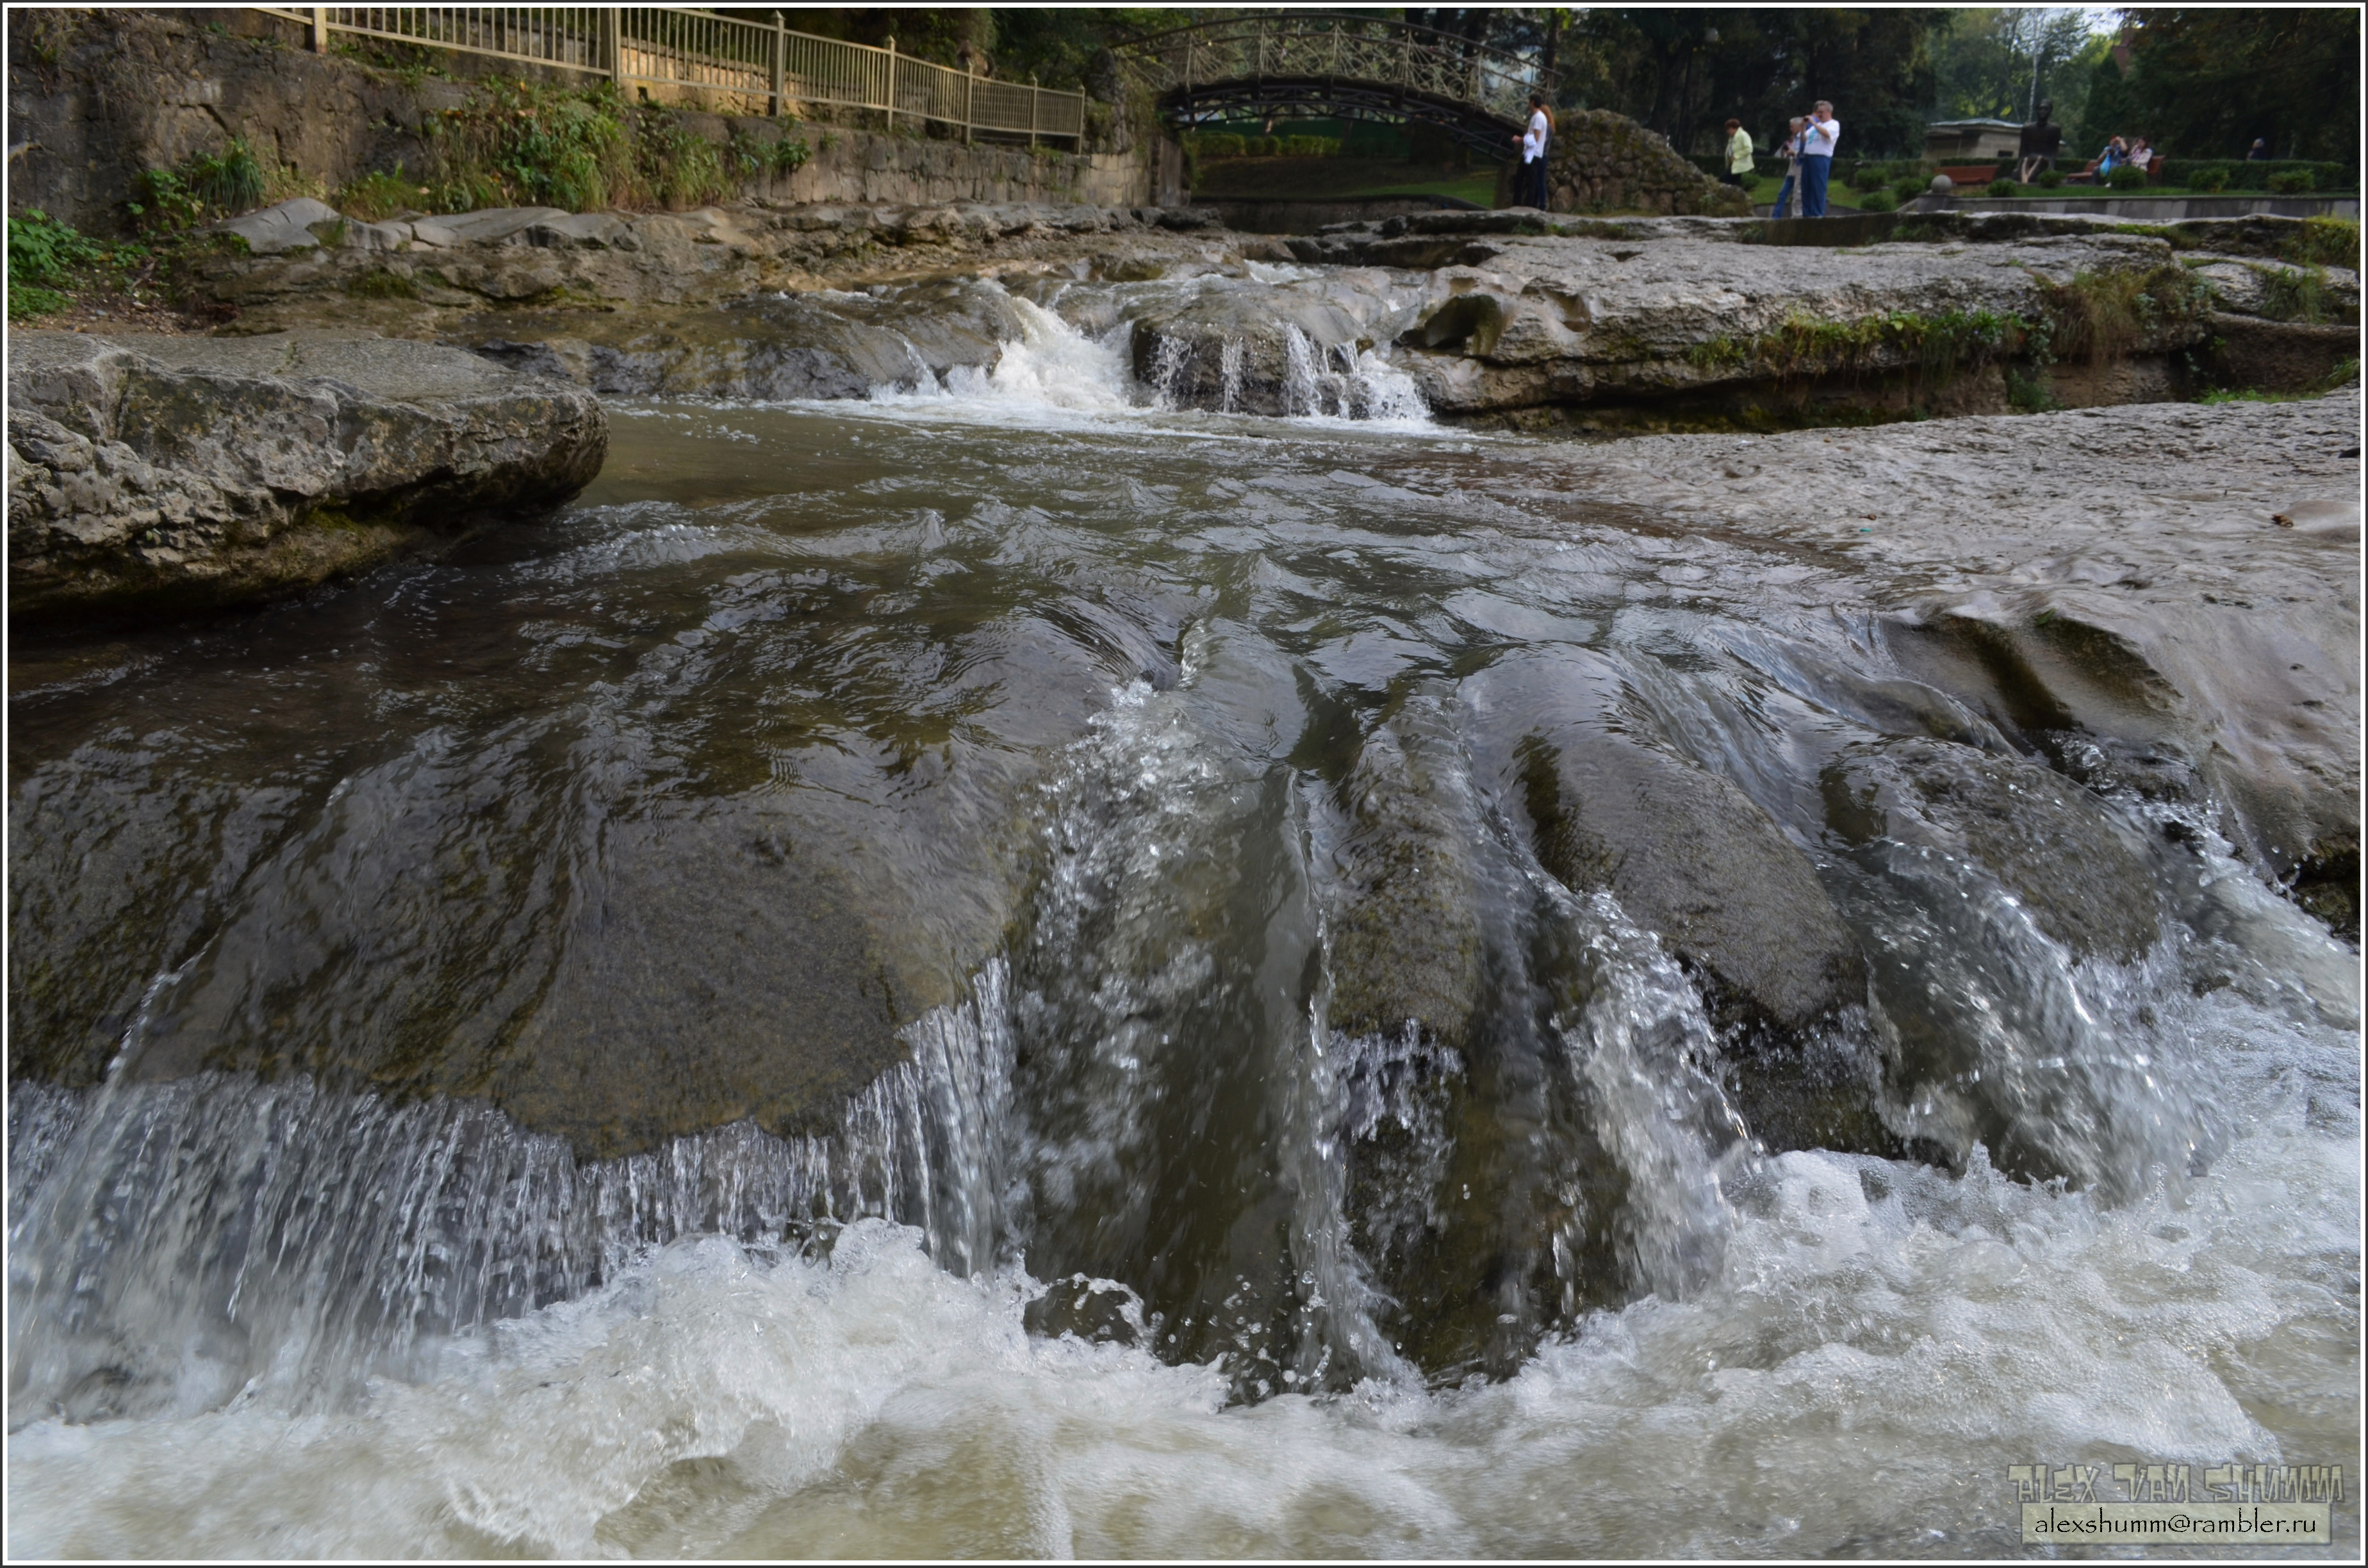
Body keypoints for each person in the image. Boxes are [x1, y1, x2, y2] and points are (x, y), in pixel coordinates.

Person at [1799, 100, 1839, 216]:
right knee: (1806, 189)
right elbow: (1803, 139)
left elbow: (1827, 135)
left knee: (1818, 189)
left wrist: (1814, 124)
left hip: (1821, 159)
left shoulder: (1834, 124)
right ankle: (1806, 216)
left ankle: (1817, 216)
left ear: (1828, 112)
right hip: (1808, 158)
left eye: (1821, 112)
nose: (1819, 115)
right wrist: (1804, 127)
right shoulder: (1816, 126)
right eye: (1817, 112)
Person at [1513, 91, 1552, 208]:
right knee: (1520, 179)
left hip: (1533, 154)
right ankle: (1518, 204)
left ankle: (1528, 206)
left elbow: (1536, 137)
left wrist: (1520, 139)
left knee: (1530, 182)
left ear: (1533, 102)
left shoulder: (1539, 118)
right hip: (1529, 153)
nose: (1528, 105)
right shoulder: (1536, 117)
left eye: (1529, 102)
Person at [2016, 99, 2062, 184]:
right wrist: (2018, 166)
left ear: (2050, 111)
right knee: (2026, 161)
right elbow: (2023, 150)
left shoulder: (2054, 129)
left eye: (2046, 109)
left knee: (2040, 161)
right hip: (2029, 159)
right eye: (2040, 109)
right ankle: (2025, 177)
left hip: (2044, 160)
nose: (2042, 111)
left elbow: (2053, 151)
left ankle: (2027, 179)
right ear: (2037, 110)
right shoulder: (2028, 128)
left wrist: (2051, 167)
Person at [1768, 116, 1807, 218]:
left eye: (1792, 127)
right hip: (1792, 169)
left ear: (1799, 126)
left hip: (1799, 168)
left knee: (1797, 194)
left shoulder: (1804, 137)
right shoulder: (1794, 138)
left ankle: (1796, 216)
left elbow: (1804, 152)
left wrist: (1793, 152)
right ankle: (1776, 217)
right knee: (1782, 194)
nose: (1791, 129)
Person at [1722, 117, 1754, 188]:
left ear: (1735, 129)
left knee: (1724, 179)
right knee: (1735, 183)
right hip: (1733, 164)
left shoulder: (1743, 135)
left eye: (1729, 129)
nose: (1728, 131)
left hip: (1739, 163)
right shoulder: (1732, 138)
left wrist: (1736, 156)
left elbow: (1749, 149)